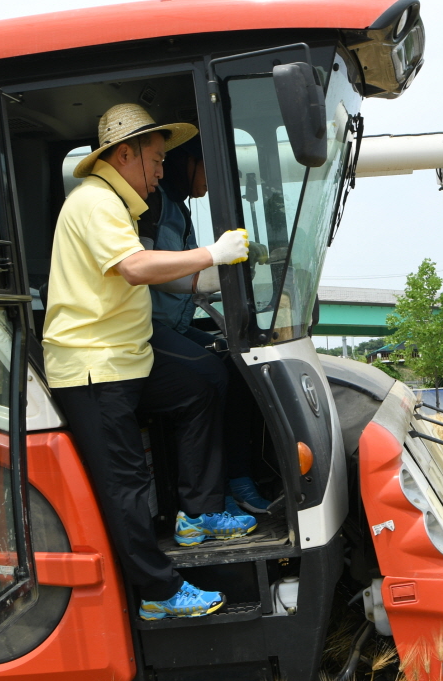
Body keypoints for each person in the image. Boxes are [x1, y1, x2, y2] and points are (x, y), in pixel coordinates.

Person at [42, 103, 253, 620]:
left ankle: (198, 515)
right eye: (157, 159)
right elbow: (136, 268)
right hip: (94, 367)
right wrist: (212, 254)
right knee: (126, 485)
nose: (163, 169)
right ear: (124, 154)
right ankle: (158, 593)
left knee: (201, 385)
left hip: (126, 356)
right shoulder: (95, 202)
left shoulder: (117, 204)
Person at [138, 138, 275, 516]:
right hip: (147, 326)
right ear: (190, 162)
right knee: (211, 376)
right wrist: (214, 277)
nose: (211, 184)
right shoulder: (151, 203)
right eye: (209, 170)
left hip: (176, 322)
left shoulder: (176, 207)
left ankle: (238, 477)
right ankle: (211, 501)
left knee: (237, 363)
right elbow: (153, 272)